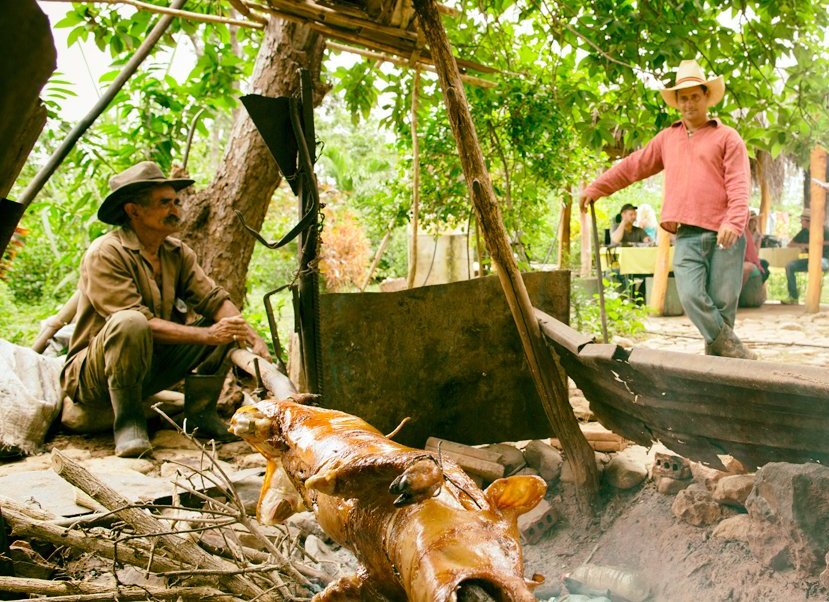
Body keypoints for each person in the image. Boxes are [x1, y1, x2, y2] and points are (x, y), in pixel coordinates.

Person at [60, 161, 271, 457]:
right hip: (92, 377)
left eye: (176, 202)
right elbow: (140, 323)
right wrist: (208, 336)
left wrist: (249, 334)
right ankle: (129, 422)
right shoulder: (105, 253)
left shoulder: (176, 252)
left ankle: (200, 413)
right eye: (164, 204)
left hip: (149, 366)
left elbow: (213, 299)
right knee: (130, 322)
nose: (176, 210)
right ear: (133, 211)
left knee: (228, 322)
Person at [580, 59, 755, 359]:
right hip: (686, 234)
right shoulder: (667, 139)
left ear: (705, 97)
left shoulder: (727, 137)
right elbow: (632, 167)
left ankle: (720, 372)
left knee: (723, 304)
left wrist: (734, 221)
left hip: (725, 234)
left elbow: (739, 183)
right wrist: (597, 188)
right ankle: (735, 352)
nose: (689, 104)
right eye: (683, 98)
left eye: (694, 96)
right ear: (676, 102)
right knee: (690, 296)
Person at [781, 208, 829, 304]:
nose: (800, 222)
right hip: (811, 261)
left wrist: (816, 244)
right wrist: (802, 246)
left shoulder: (824, 230)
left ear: (808, 221)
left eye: (802, 220)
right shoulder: (804, 232)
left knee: (816, 264)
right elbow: (790, 244)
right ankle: (793, 297)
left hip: (825, 260)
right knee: (790, 266)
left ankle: (813, 297)